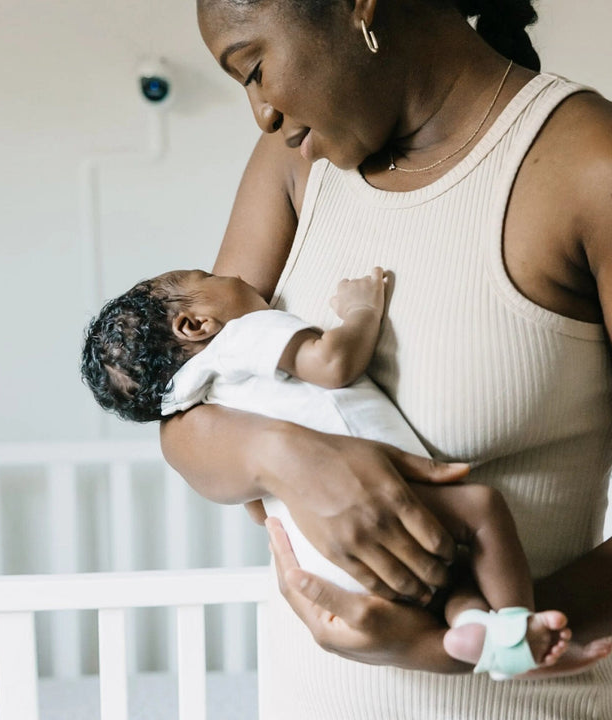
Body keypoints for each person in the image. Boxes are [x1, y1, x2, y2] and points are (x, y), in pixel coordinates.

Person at [159, 0, 612, 717]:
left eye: (254, 68)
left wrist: (457, 637)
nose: (263, 115)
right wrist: (285, 457)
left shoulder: (589, 165)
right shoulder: (292, 166)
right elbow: (188, 414)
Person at [81, 267, 571, 676]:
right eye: (208, 275)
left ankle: (473, 630)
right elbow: (333, 362)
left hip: (328, 563)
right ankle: (517, 630)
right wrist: (362, 310)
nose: (230, 272)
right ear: (195, 325)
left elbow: (251, 501)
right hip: (384, 514)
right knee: (482, 508)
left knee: (455, 581)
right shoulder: (242, 336)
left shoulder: (198, 395)